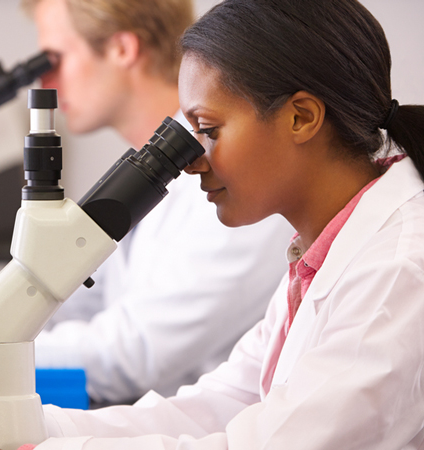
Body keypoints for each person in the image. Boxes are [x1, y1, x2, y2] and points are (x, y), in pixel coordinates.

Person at [0, 0, 424, 447]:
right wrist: (26, 433)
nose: (191, 162)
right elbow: (226, 401)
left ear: (300, 117)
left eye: (208, 130)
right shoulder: (323, 250)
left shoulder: (395, 270)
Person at [26, 0, 293, 403]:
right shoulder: (142, 174)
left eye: (55, 58)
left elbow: (136, 353)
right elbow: (69, 302)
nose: (45, 79)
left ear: (122, 48)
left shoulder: (237, 178)